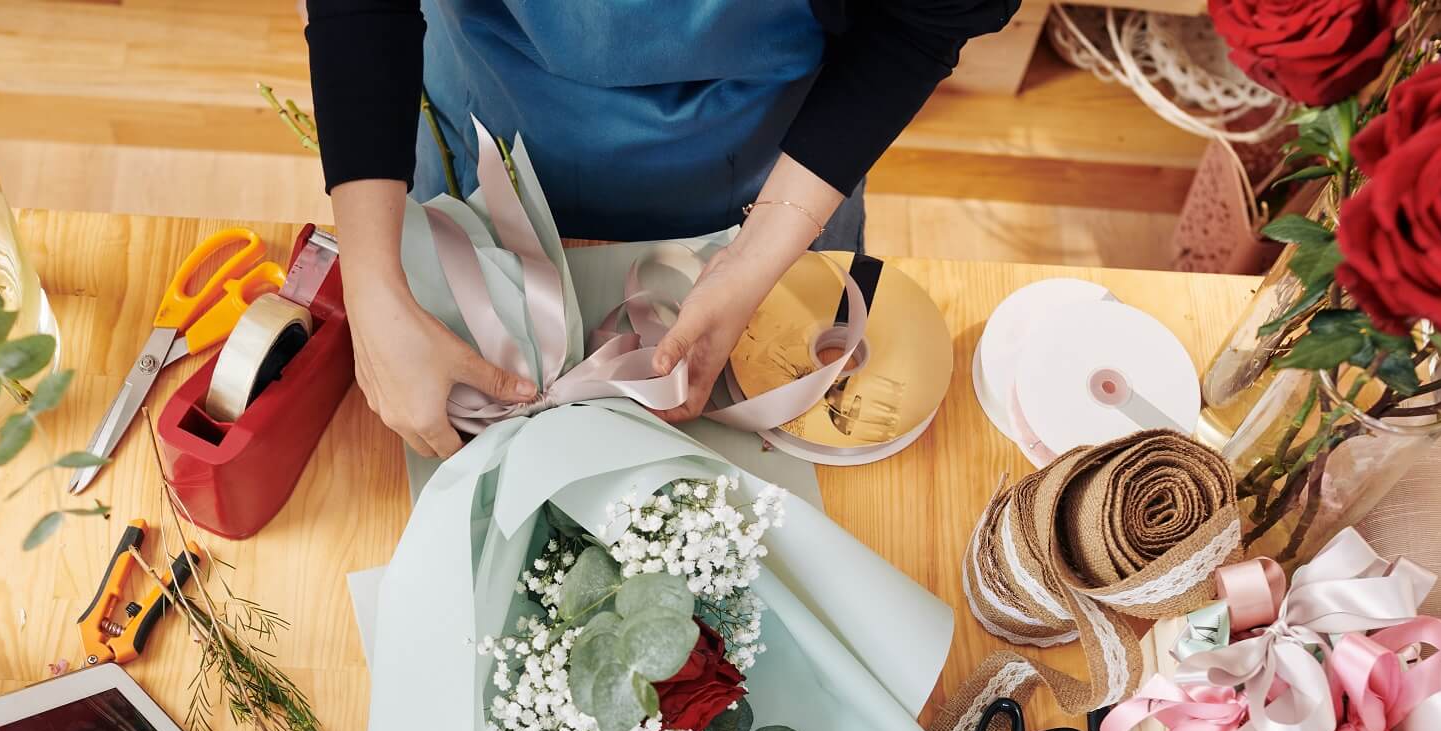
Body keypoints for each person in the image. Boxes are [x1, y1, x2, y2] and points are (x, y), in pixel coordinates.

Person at [304, 0, 1016, 458]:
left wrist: (765, 246)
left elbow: (923, 19)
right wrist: (371, 286)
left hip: (775, 161)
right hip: (497, 103)